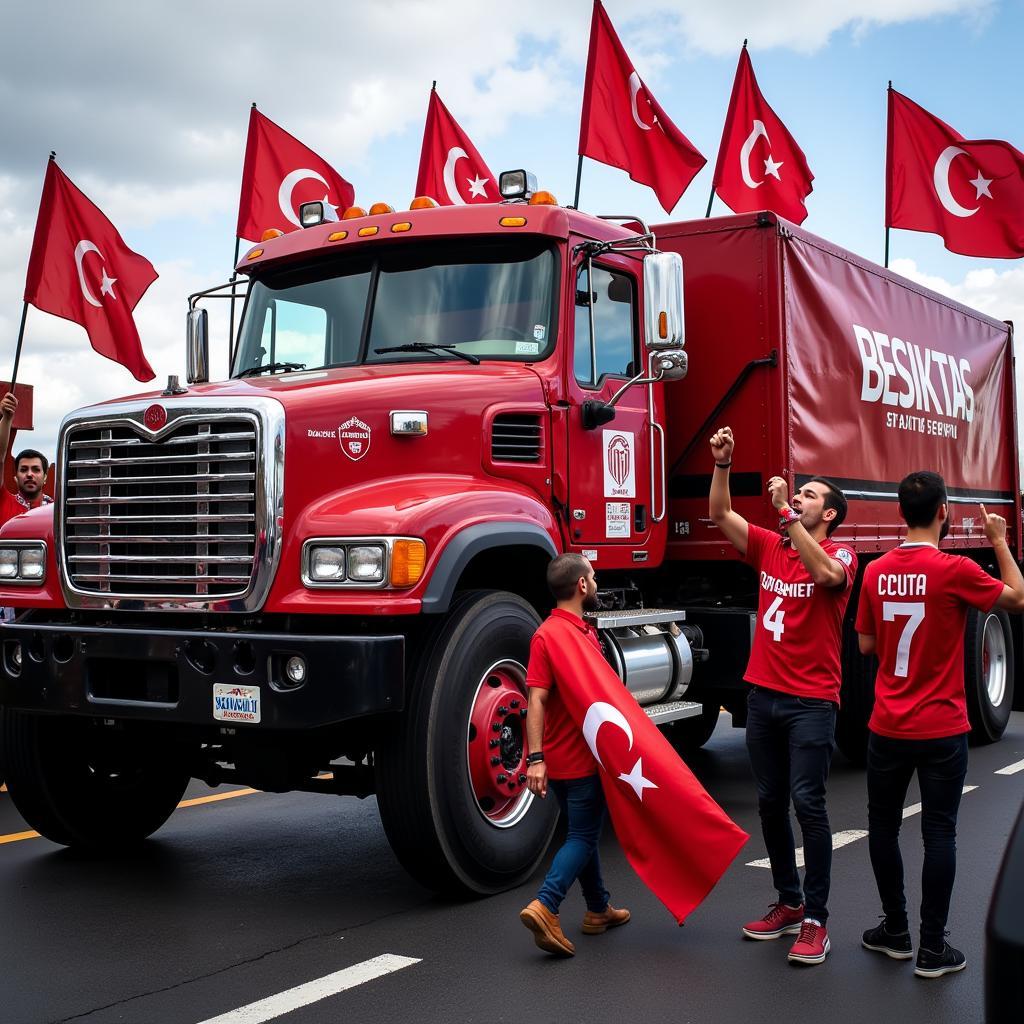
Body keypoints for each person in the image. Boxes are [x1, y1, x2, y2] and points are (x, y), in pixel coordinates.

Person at [855, 471, 1024, 979]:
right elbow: (1016, 597)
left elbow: (866, 646)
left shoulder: (876, 570)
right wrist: (997, 541)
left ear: (900, 514)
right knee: (939, 833)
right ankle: (933, 948)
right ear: (944, 511)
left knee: (882, 829)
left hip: (888, 725)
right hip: (943, 727)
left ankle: (895, 932)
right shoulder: (956, 569)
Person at [709, 426, 856, 966]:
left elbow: (826, 575)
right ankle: (789, 903)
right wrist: (723, 465)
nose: (799, 497)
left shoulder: (842, 550)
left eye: (810, 495)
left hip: (812, 701)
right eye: (800, 494)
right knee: (770, 804)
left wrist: (789, 519)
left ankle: (817, 920)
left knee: (808, 805)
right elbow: (723, 516)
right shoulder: (771, 544)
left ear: (830, 514)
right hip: (763, 696)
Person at [519, 553, 630, 957]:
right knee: (583, 836)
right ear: (582, 586)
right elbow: (539, 698)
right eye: (595, 578)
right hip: (583, 758)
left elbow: (535, 699)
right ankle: (547, 905)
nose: (597, 584)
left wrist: (537, 757)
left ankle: (599, 908)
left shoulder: (546, 634)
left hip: (558, 759)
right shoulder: (577, 635)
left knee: (581, 832)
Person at [0, 393, 51, 526]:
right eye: (23, 470)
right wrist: (6, 418)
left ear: (45, 477)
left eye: (36, 469)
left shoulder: (57, 510)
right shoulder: (3, 501)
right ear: (15, 477)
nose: (29, 474)